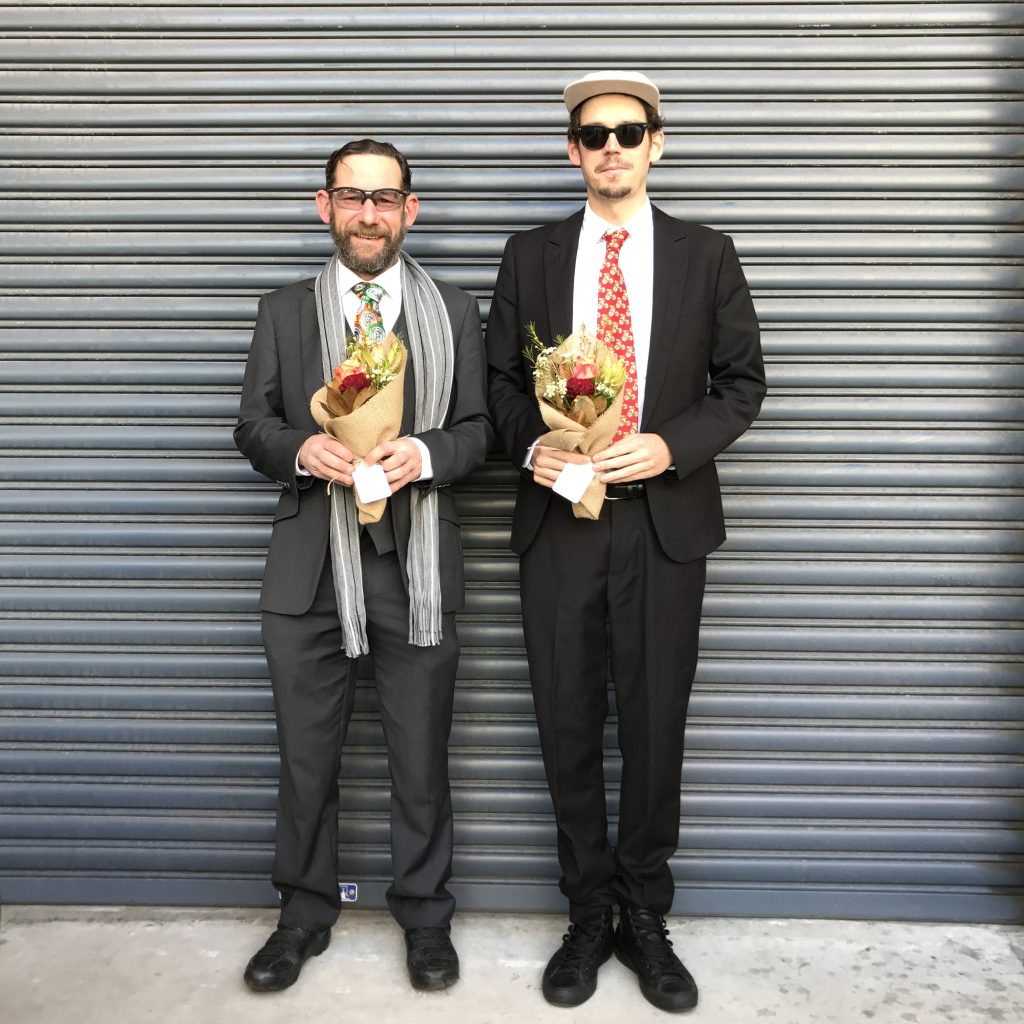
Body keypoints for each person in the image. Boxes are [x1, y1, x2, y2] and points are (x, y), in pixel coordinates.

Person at [485, 71, 766, 1013]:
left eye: (628, 132)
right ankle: (586, 911)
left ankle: (646, 914)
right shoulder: (530, 254)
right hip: (560, 517)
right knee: (565, 722)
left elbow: (741, 385)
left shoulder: (706, 254)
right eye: (593, 134)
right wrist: (541, 449)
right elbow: (496, 386)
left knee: (653, 725)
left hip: (663, 520)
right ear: (573, 151)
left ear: (657, 145)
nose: (611, 147)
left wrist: (670, 445)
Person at [235, 138, 491, 994]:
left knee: (422, 756)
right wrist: (301, 448)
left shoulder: (453, 311)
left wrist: (428, 452)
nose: (370, 214)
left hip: (414, 566)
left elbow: (481, 430)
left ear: (410, 211)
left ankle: (424, 917)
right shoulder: (282, 310)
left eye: (385, 198)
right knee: (306, 758)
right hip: (309, 570)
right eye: (353, 197)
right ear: (325, 207)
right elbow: (253, 426)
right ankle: (303, 915)